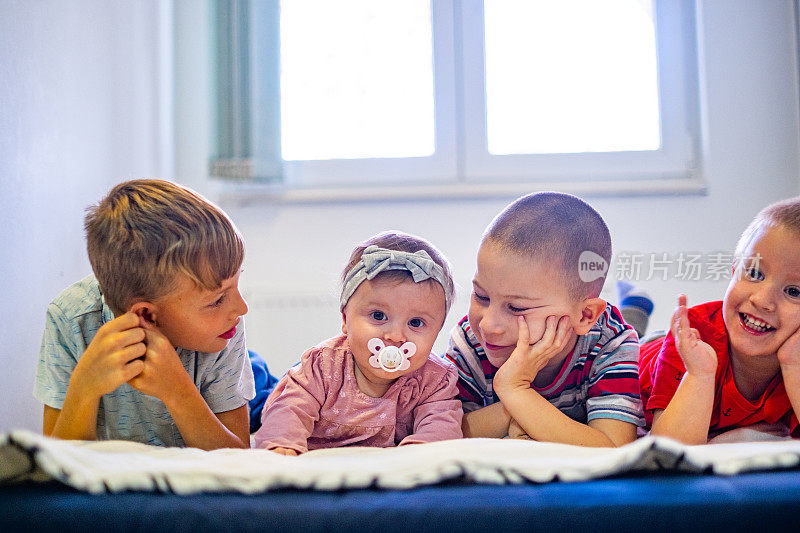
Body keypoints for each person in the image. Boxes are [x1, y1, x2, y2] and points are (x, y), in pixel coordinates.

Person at [34, 179, 255, 449]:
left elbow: (238, 458)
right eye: (218, 299)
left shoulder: (225, 326)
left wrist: (178, 392)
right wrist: (84, 388)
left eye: (236, 284)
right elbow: (56, 464)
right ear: (148, 316)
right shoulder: (70, 319)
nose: (241, 308)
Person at [444, 192, 644, 447]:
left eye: (516, 308)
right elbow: (443, 433)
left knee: (646, 343)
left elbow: (614, 447)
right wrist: (512, 413)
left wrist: (515, 389)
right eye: (481, 297)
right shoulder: (470, 342)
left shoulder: (611, 342)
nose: (487, 325)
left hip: (625, 342)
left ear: (584, 315)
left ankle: (635, 309)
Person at [254, 231, 463, 454]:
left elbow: (442, 426)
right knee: (273, 397)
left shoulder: (434, 380)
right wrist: (282, 445)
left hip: (381, 473)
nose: (395, 336)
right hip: (320, 457)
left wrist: (421, 453)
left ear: (437, 330)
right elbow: (290, 409)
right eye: (378, 316)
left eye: (416, 322)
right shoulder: (322, 366)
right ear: (345, 320)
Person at [639, 196, 800, 443]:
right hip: (642, 358)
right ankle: (634, 311)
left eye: (793, 292)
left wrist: (793, 367)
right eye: (755, 273)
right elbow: (667, 449)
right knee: (630, 339)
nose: (762, 301)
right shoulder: (696, 333)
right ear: (734, 271)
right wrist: (700, 375)